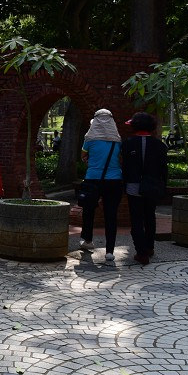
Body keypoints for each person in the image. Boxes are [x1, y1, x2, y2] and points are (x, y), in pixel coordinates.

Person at [122, 111, 168, 265]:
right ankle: (149, 247)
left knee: (136, 220)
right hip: (152, 187)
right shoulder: (160, 146)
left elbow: (125, 168)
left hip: (133, 187)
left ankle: (141, 253)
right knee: (150, 217)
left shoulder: (128, 144)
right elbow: (164, 170)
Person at [78, 109, 123, 261]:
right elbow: (120, 158)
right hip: (114, 180)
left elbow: (83, 156)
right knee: (111, 215)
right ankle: (109, 251)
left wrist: (91, 161)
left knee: (88, 209)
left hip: (93, 179)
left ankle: (87, 240)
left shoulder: (89, 139)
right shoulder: (117, 140)